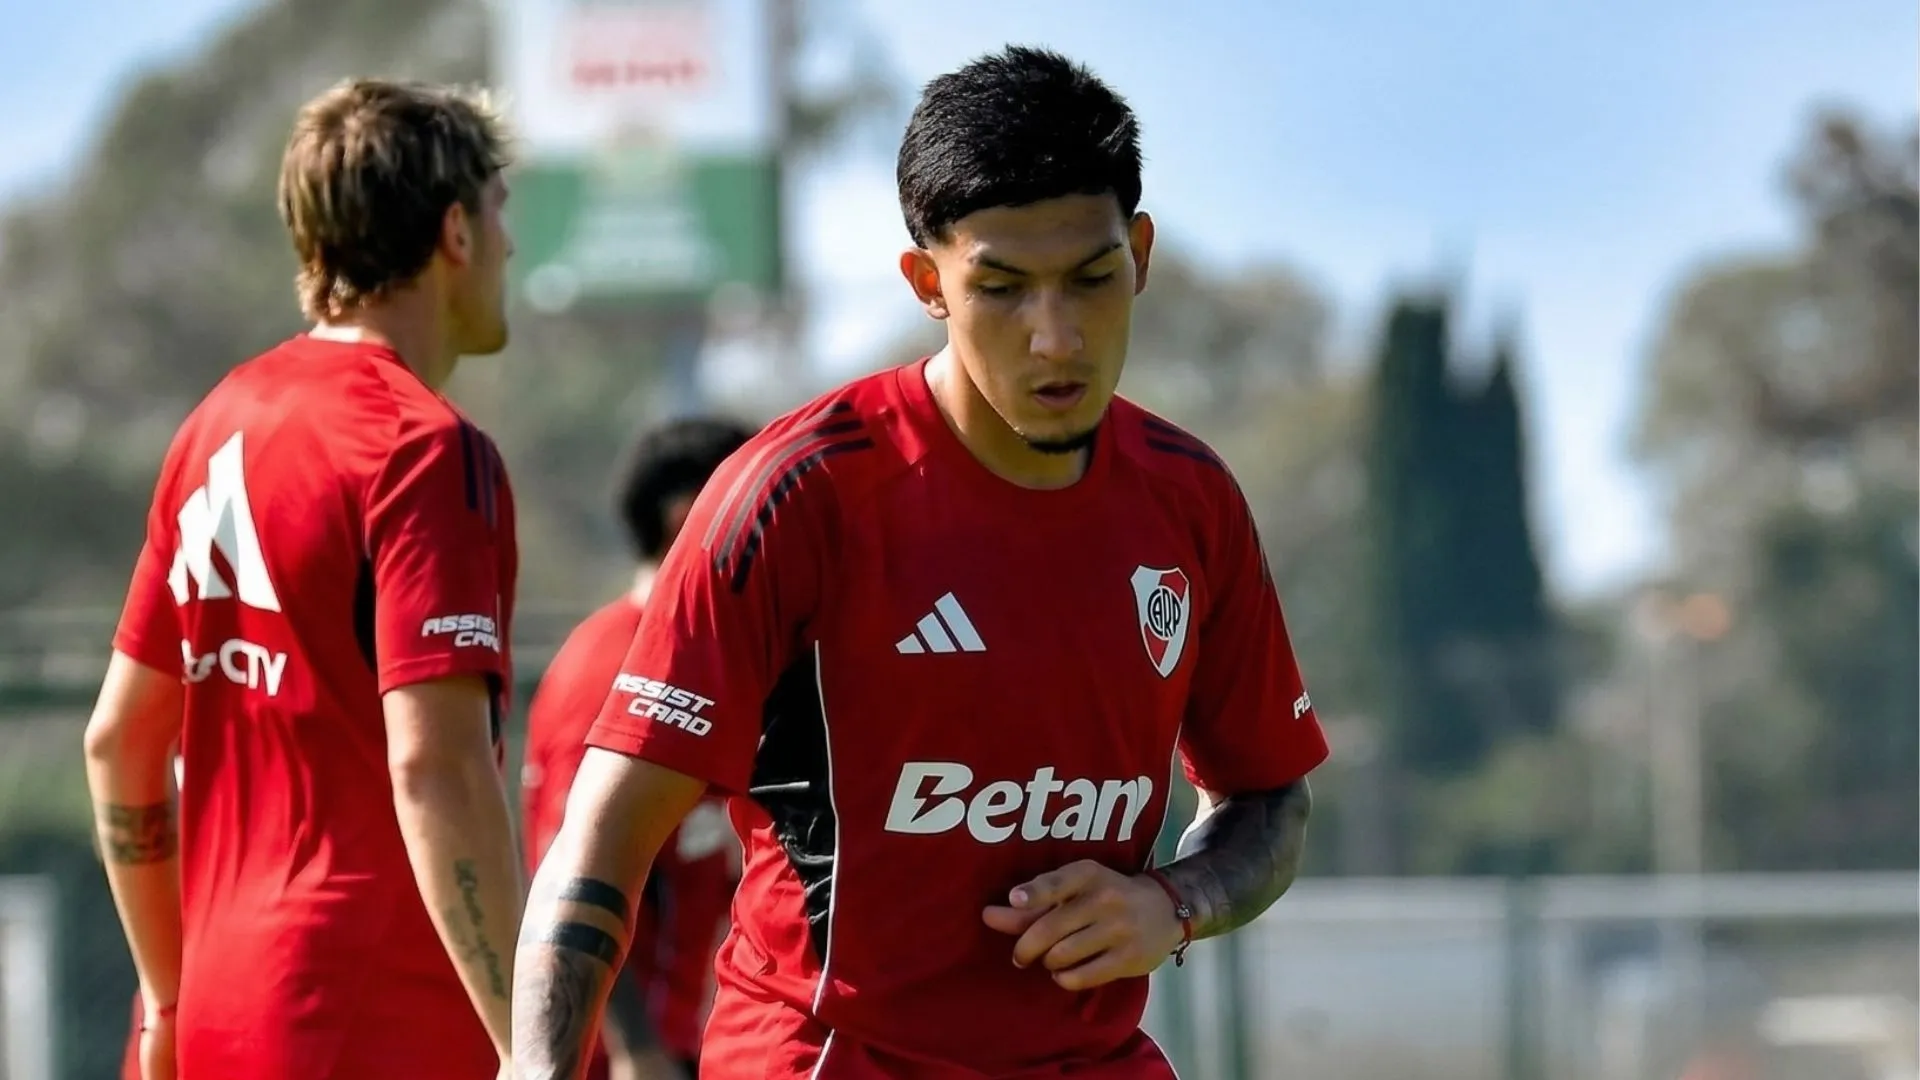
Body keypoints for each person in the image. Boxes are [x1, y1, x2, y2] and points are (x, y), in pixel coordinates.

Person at [511, 45, 1329, 1079]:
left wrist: (1173, 904)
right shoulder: (798, 496)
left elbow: (1270, 800)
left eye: (1091, 279)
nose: (1055, 339)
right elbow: (605, 830)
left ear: (1143, 255)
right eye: (1002, 289)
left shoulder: (1191, 500)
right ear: (927, 281)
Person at [83, 77, 524, 1080]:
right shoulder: (423, 449)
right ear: (455, 231)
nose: (510, 246)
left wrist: (165, 996)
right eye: (502, 213)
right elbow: (437, 766)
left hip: (219, 1013)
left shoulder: (214, 424)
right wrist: (528, 1044)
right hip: (375, 1019)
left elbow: (118, 740)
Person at [520, 417, 754, 1080]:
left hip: (684, 1043)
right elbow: (566, 866)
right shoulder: (616, 663)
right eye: (761, 498)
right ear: (689, 512)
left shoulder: (705, 654)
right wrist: (634, 1047)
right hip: (611, 1057)